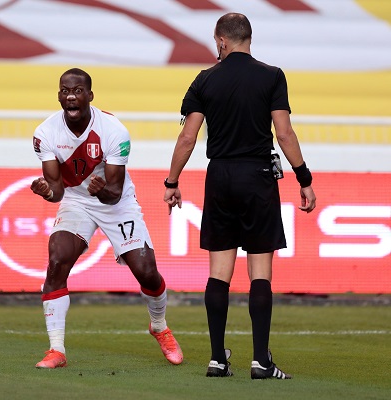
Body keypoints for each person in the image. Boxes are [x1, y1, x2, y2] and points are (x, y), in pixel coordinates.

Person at [163, 13, 316, 379]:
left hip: (220, 177)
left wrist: (172, 182)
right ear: (249, 38)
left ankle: (218, 358)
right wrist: (304, 178)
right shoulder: (272, 76)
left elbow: (187, 138)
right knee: (260, 273)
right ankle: (261, 361)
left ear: (221, 41)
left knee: (219, 273)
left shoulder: (204, 79)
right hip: (258, 176)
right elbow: (285, 134)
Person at [30, 68, 183, 369]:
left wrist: (101, 192)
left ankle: (159, 326)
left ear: (89, 95)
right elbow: (58, 191)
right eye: (64, 90)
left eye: (77, 90)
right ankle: (56, 350)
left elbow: (113, 191)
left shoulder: (113, 131)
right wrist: (46, 192)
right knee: (57, 259)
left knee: (147, 272)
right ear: (59, 95)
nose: (70, 96)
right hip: (77, 200)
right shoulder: (45, 133)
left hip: (116, 203)